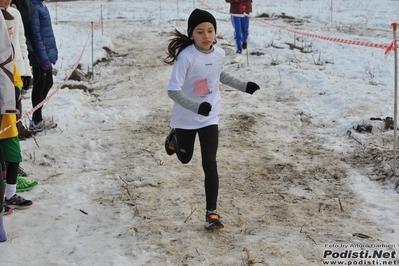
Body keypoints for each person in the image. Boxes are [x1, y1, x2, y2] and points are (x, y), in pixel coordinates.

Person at [163, 9, 260, 230]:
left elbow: (219, 76)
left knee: (210, 163)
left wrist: (243, 86)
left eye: (210, 30)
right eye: (200, 31)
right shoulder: (186, 57)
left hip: (210, 117)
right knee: (185, 159)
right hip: (186, 117)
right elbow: (173, 91)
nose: (206, 36)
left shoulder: (219, 54)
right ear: (191, 35)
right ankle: (174, 137)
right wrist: (197, 106)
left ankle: (212, 212)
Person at [1, 9, 33, 215]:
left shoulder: (8, 53)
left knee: (14, 156)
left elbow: (16, 77)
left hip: (8, 121)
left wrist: (17, 87)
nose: (9, 34)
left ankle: (10, 194)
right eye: (7, 30)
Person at [0, 0, 35, 139]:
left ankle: (17, 129)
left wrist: (26, 71)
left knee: (16, 102)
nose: (8, 0)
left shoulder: (15, 13)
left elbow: (21, 42)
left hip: (16, 68)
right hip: (3, 69)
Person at [26, 0, 57, 132]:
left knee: (48, 83)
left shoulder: (41, 5)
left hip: (45, 52)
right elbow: (35, 35)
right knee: (40, 84)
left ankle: (37, 117)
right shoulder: (32, 7)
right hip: (39, 54)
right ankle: (36, 121)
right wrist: (43, 57)